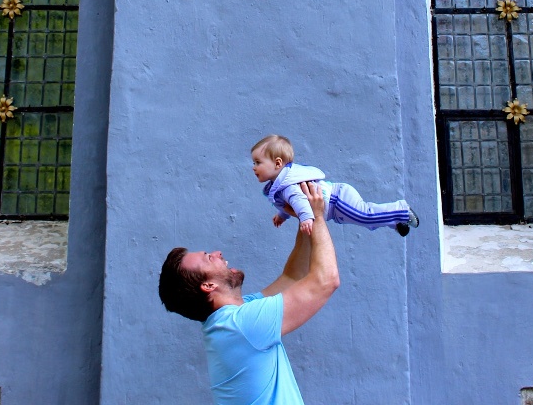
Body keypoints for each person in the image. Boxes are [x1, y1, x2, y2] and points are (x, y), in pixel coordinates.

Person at [159, 181, 337, 405]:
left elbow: (292, 277)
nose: (217, 253)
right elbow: (326, 281)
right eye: (208, 258)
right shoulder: (242, 325)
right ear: (208, 286)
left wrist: (305, 217)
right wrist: (318, 217)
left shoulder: (233, 319)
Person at [251, 134, 418, 236]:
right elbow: (290, 203)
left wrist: (306, 219)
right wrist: (283, 215)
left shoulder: (288, 186)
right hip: (335, 206)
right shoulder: (282, 184)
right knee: (367, 221)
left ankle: (401, 210)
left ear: (278, 163)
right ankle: (395, 222)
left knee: (366, 215)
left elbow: (298, 201)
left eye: (258, 162)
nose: (254, 167)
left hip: (337, 200)